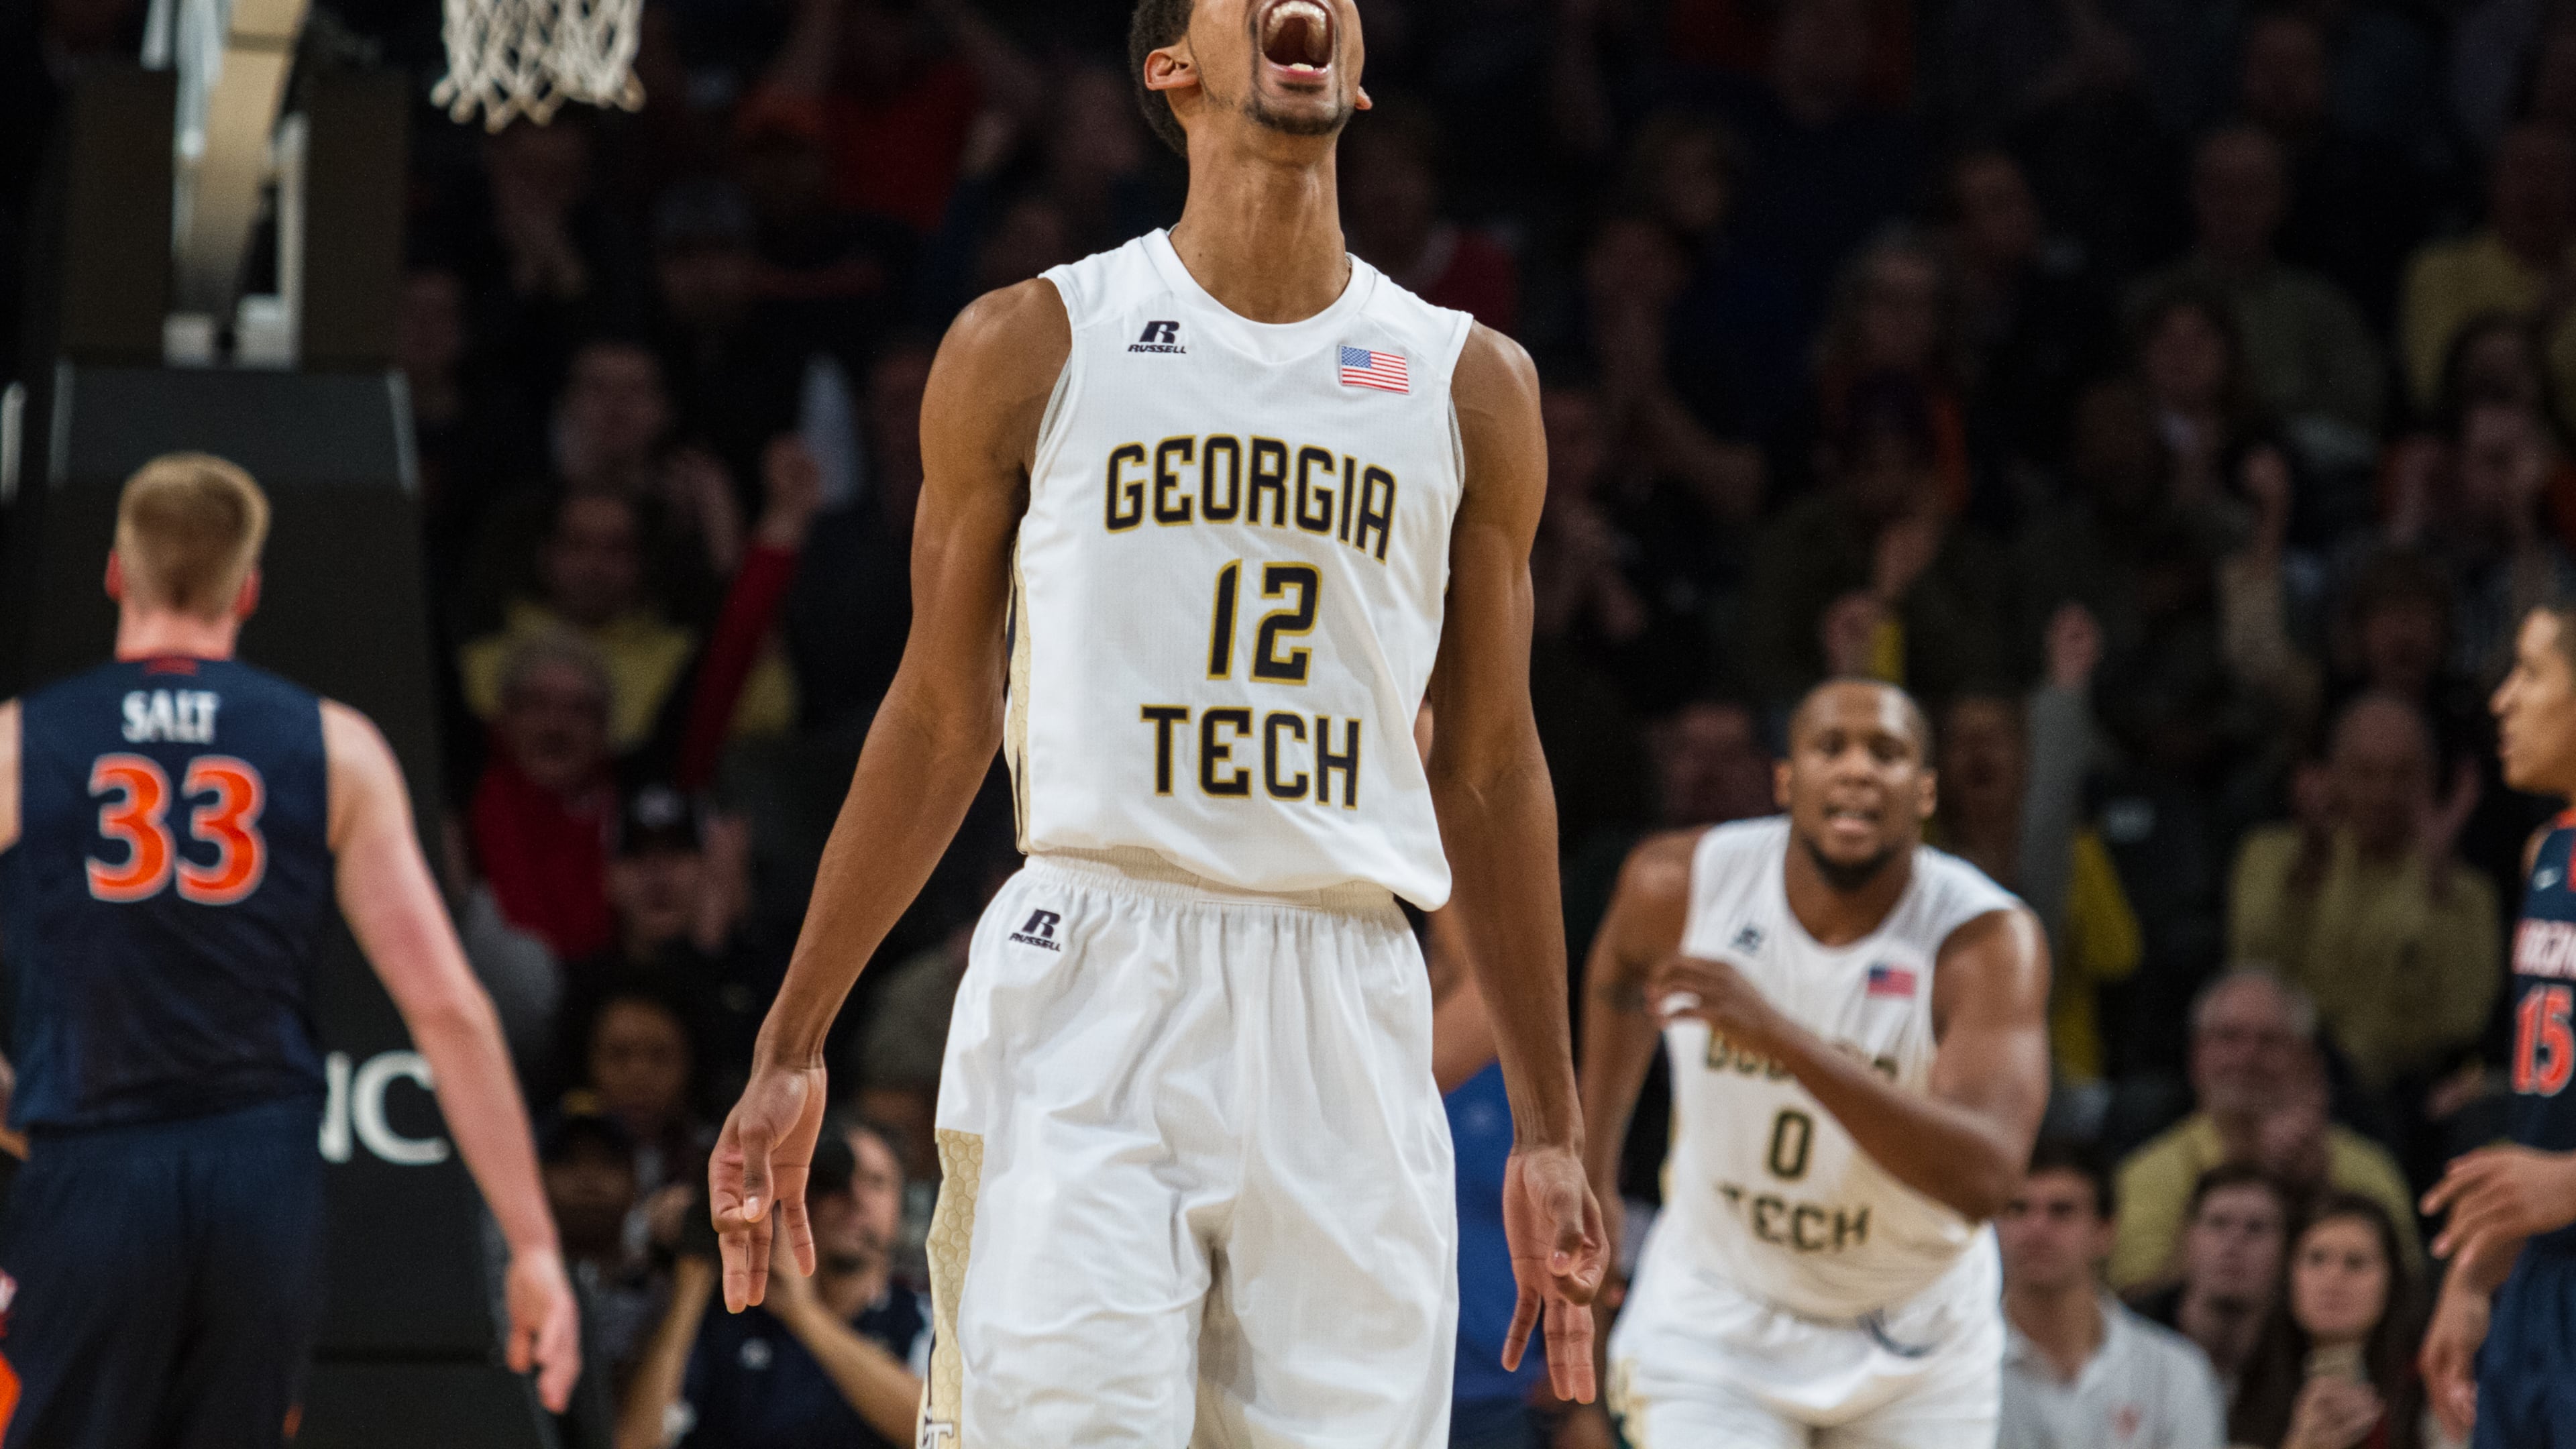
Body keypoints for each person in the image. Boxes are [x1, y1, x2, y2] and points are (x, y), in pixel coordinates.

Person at [708, 3, 1607, 1445]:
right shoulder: (1032, 344)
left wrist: (1553, 1129)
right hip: (1094, 967)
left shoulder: (1468, 381)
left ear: (1357, 71)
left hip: (1347, 990)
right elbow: (940, 718)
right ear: (1169, 71)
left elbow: (1494, 767)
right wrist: (792, 1041)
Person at [0, 454, 580, 1443]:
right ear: (249, 588)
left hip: (93, 1160)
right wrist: (532, 1245)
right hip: (258, 1173)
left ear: (116, 575)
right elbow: (447, 1007)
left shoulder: (21, 742)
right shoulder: (334, 745)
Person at [1578, 678, 2052, 1445]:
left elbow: (1986, 1176)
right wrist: (1592, 1166)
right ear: (1787, 781)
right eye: (1832, 747)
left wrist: (1785, 1041)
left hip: (1914, 1330)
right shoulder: (1679, 884)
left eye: (1887, 753)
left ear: (1926, 792)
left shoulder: (1986, 941)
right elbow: (1621, 978)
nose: (1858, 769)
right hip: (1717, 1312)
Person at [2419, 602, 2576, 1446]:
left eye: (2534, 672)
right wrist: (2478, 1272)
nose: (2504, 700)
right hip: (2543, 1281)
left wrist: (2566, 1187)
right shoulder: (2548, 850)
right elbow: (2542, 1117)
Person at [621, 1118, 928, 1449]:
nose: (855, 1197)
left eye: (876, 1182)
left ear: (902, 1207)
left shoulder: (924, 1319)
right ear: (793, 1198)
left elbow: (943, 1431)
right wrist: (694, 1272)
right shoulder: (729, 1316)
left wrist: (804, 1314)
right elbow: (637, 1442)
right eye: (832, 1182)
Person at [2109, 971, 2420, 1292]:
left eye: (2270, 1041)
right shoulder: (2149, 1174)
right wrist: (2253, 1170)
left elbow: (2407, 1294)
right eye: (2229, 1037)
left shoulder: (2366, 1167)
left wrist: (2318, 1191)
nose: (2247, 1057)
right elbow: (2134, 1301)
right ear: (2197, 1057)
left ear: (2308, 1061)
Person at [1997, 1138, 2226, 1449]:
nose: (2037, 1227)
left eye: (2061, 1211)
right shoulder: (1956, 1366)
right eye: (2018, 1209)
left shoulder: (2175, 1374)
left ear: (2105, 1231)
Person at [2233, 1194, 2428, 1449]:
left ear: (2392, 1282)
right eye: (2316, 1259)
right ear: (2289, 1275)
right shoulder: (2244, 1383)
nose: (2333, 1279)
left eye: (2356, 1263)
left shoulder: (2431, 1389)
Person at [2129, 1164, 2297, 1396]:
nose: (2234, 1244)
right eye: (2218, 1223)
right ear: (2188, 1238)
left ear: (2287, 1250)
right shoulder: (2129, 1334)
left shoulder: (2302, 1351)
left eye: (2256, 1228)